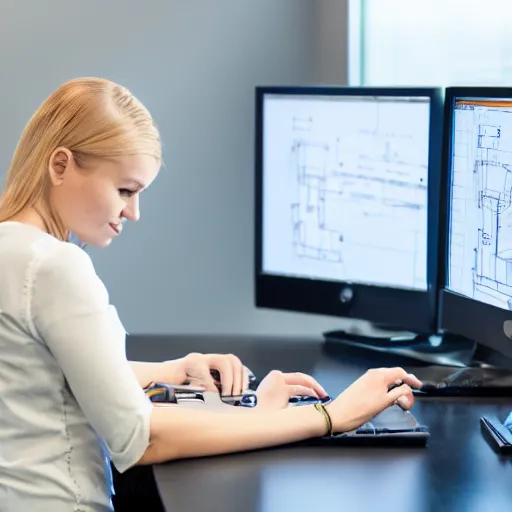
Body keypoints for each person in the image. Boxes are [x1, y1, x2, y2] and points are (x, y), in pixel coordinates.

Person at [0, 77, 421, 511]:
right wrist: (327, 416)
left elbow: (48, 377)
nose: (134, 212)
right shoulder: (56, 267)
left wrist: (173, 369)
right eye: (125, 190)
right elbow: (140, 439)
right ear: (60, 166)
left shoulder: (11, 249)